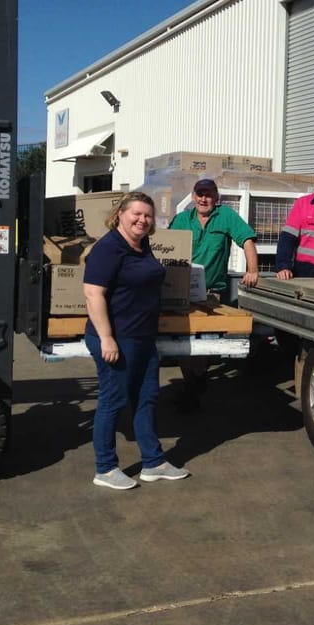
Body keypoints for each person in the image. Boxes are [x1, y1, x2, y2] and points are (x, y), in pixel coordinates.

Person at [83, 191, 190, 490]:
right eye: (137, 214)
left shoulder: (142, 246)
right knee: (113, 401)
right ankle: (105, 469)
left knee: (147, 398)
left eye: (148, 215)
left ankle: (153, 462)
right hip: (116, 339)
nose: (142, 220)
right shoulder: (109, 248)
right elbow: (93, 294)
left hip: (143, 337)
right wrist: (106, 338)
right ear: (120, 214)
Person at [169, 178, 259, 411]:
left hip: (211, 293)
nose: (203, 199)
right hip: (180, 292)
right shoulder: (182, 219)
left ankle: (195, 382)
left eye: (208, 194)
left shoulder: (226, 216)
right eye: (200, 194)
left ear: (216, 198)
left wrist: (252, 270)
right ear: (193, 196)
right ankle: (193, 383)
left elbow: (247, 240)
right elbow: (164, 245)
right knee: (182, 340)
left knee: (203, 342)